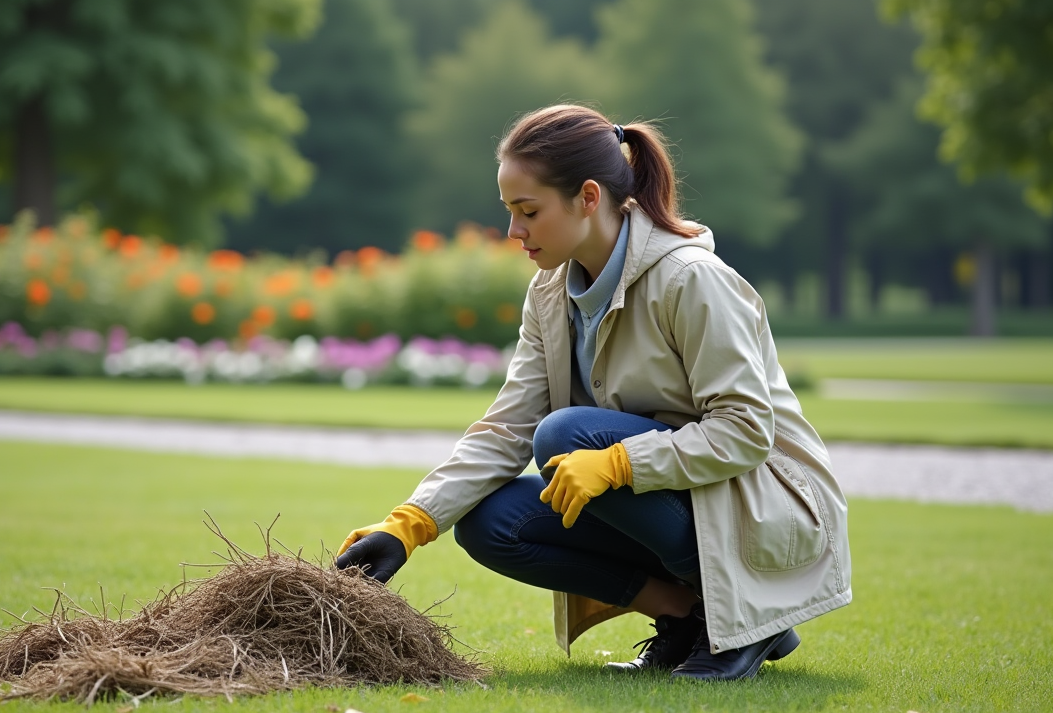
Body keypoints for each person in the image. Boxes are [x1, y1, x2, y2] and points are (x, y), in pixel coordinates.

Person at [336, 104, 851, 681]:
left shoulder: (692, 280)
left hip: (764, 510)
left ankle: (743, 623)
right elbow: (508, 428)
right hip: (681, 502)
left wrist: (617, 463)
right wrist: (410, 524)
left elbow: (745, 429)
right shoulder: (549, 293)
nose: (514, 232)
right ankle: (685, 615)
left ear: (587, 197)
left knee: (565, 435)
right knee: (488, 522)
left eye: (528, 211)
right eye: (510, 212)